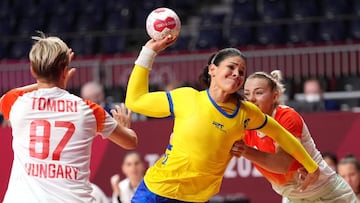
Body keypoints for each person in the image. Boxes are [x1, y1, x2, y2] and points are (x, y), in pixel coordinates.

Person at [125, 35, 320, 203]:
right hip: (156, 192)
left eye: (242, 72)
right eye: (231, 67)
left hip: (196, 199)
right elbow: (135, 101)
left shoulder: (245, 113)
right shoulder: (186, 98)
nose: (237, 74)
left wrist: (312, 167)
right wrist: (149, 52)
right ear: (212, 70)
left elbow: (281, 133)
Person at [0, 33, 138, 202]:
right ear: (64, 70)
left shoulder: (15, 103)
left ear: (32, 70)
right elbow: (130, 141)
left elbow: (8, 96)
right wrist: (125, 128)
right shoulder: (88, 110)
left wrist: (45, 79)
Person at [230, 70, 357, 202]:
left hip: (329, 193)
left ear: (275, 96)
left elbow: (282, 164)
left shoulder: (287, 117)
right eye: (246, 94)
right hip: (294, 198)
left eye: (258, 93)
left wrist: (245, 150)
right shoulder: (244, 123)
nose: (251, 99)